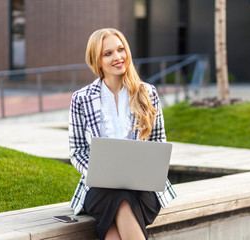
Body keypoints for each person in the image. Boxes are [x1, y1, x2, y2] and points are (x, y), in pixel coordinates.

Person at [68, 28, 176, 240]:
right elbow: (77, 150)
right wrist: (97, 172)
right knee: (119, 197)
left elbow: (158, 144)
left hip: (143, 190)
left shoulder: (148, 93)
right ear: (97, 60)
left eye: (120, 49)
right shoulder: (81, 99)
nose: (118, 57)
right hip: (100, 188)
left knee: (121, 205)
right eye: (108, 53)